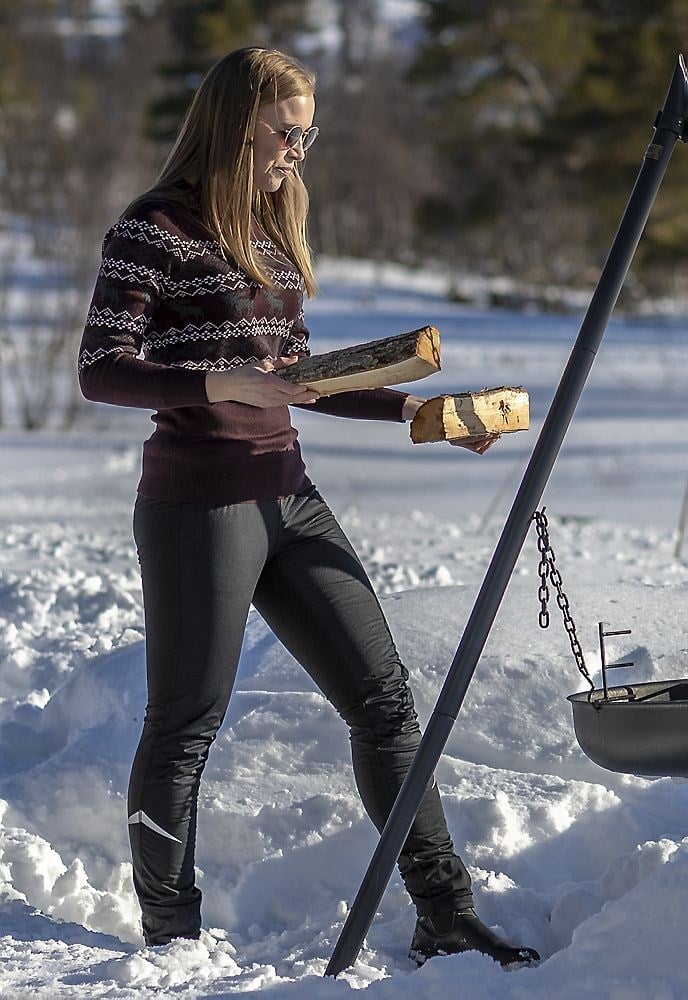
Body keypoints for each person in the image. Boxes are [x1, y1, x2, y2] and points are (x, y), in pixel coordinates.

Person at [77, 46, 539, 968]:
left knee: (384, 704)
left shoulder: (273, 233)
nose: (300, 149)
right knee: (184, 724)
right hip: (198, 506)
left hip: (290, 497)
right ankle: (171, 935)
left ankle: (444, 910)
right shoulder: (152, 229)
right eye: (288, 131)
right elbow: (101, 370)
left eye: (308, 132)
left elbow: (302, 384)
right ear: (236, 123)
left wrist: (419, 411)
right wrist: (223, 381)